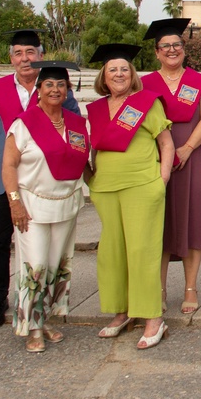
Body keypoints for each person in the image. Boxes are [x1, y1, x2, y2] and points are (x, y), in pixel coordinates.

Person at [0, 28, 79, 329]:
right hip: (3, 178)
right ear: (11, 58)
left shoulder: (55, 85)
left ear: (40, 56)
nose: (25, 58)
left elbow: (73, 125)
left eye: (30, 52)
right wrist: (13, 155)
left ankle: (39, 299)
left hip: (43, 181)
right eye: (19, 53)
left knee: (40, 243)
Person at [87, 43, 175, 350]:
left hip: (142, 186)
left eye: (124, 69)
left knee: (142, 251)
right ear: (104, 76)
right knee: (112, 253)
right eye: (113, 69)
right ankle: (122, 311)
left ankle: (152, 317)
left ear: (133, 74)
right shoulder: (96, 109)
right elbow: (93, 148)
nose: (119, 74)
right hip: (106, 189)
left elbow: (166, 143)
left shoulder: (146, 103)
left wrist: (161, 179)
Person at [0, 61, 87, 353]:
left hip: (65, 205)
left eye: (61, 85)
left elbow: (82, 162)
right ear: (38, 90)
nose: (55, 89)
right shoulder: (23, 124)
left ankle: (45, 319)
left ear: (68, 90)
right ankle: (31, 326)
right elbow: (9, 164)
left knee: (54, 265)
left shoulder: (75, 123)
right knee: (35, 265)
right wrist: (15, 204)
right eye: (49, 84)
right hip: (32, 207)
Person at [141, 18, 201, 317]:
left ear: (184, 50)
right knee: (160, 225)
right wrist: (166, 154)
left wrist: (186, 148)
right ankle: (159, 289)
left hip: (196, 157)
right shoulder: (144, 83)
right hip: (155, 160)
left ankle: (190, 287)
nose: (172, 50)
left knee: (194, 221)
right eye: (165, 46)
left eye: (177, 45)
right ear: (157, 52)